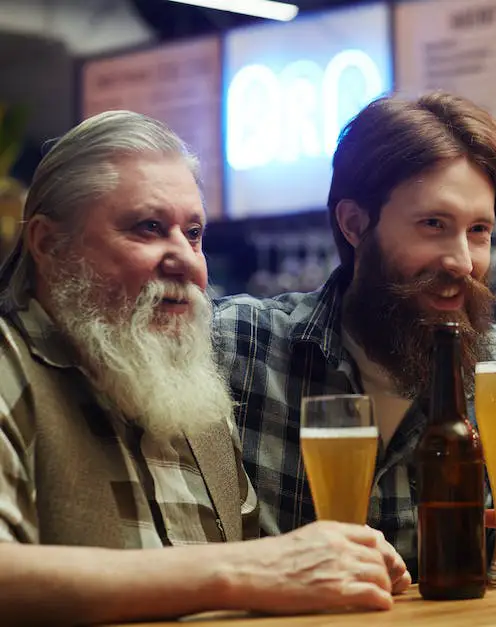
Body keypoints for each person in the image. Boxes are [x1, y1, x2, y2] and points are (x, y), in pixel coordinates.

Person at [0, 111, 409, 626]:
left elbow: (255, 587)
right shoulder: (10, 365)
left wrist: (335, 571)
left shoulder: (192, 396)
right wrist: (238, 571)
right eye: (148, 228)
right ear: (47, 244)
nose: (185, 260)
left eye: (193, 233)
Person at [214, 92, 496, 586]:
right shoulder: (243, 346)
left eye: (479, 230)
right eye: (433, 224)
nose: (463, 261)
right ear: (355, 224)